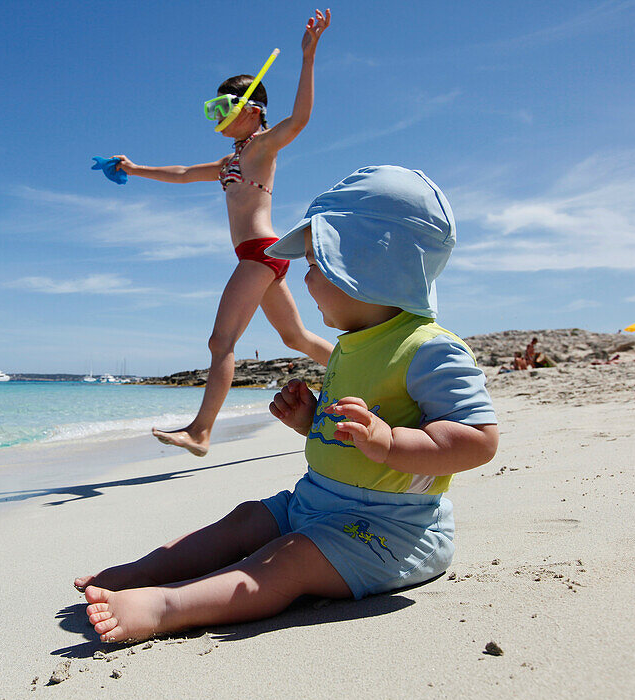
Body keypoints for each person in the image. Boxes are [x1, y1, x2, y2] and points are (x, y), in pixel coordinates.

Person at [77, 166, 499, 643]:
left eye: (319, 264)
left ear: (366, 265)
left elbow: (479, 441)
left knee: (291, 558)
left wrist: (389, 441)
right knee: (245, 519)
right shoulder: (351, 344)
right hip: (315, 500)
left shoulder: (429, 347)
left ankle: (165, 606)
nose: (306, 276)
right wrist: (310, 420)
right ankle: (143, 571)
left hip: (390, 531)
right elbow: (349, 431)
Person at [108, 9, 334, 457]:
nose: (217, 117)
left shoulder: (263, 147)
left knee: (220, 342)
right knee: (296, 339)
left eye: (222, 108)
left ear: (252, 111)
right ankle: (372, 365)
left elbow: (300, 119)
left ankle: (201, 431)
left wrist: (308, 56)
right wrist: (135, 169)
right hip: (261, 257)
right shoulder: (230, 160)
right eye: (211, 110)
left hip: (260, 253)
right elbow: (183, 172)